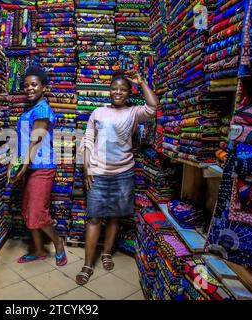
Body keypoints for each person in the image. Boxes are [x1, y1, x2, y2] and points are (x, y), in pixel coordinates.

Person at [75, 69, 159, 285]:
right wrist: (86, 167)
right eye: (114, 89)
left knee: (114, 217)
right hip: (98, 172)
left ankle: (107, 253)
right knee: (94, 217)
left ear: (128, 93)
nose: (118, 92)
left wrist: (141, 82)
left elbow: (152, 107)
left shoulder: (133, 112)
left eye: (123, 89)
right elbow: (87, 140)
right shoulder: (98, 112)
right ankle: (87, 263)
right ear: (109, 91)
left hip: (123, 173)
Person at [8, 65, 67, 266]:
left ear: (43, 87)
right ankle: (39, 250)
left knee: (36, 212)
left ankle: (58, 244)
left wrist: (23, 166)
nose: (30, 88)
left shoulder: (42, 107)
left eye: (34, 84)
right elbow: (22, 140)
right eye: (26, 85)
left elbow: (35, 139)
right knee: (27, 210)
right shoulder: (31, 109)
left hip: (41, 166)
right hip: (29, 165)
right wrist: (14, 164)